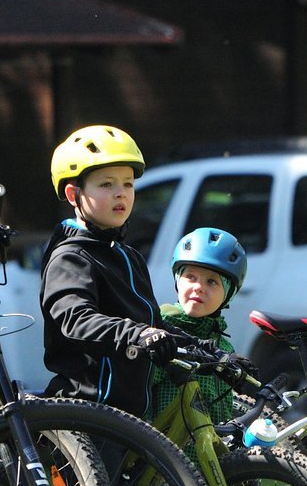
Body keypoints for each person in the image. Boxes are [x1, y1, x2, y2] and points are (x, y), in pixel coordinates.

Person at [41, 125, 174, 418]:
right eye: (106, 184)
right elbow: (77, 320)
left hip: (129, 418)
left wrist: (208, 350)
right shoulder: (70, 257)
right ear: (73, 195)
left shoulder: (129, 256)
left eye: (128, 184)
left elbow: (152, 325)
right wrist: (138, 334)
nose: (120, 193)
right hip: (86, 413)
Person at [147, 227, 248, 454]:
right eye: (190, 277)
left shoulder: (222, 346)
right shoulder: (160, 332)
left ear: (229, 293)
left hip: (209, 461)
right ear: (177, 280)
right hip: (163, 459)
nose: (199, 287)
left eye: (212, 282)